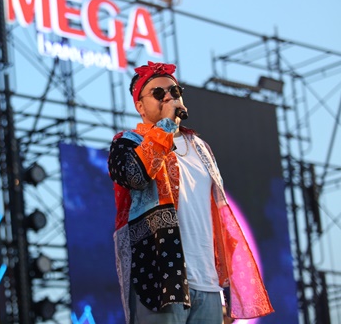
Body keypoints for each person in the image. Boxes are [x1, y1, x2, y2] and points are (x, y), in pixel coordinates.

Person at [107, 61, 274, 324]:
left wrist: (225, 286)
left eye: (174, 91)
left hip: (208, 284)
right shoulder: (128, 143)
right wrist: (165, 126)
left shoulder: (200, 147)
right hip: (160, 279)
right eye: (158, 93)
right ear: (140, 106)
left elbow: (216, 215)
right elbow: (135, 177)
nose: (168, 97)